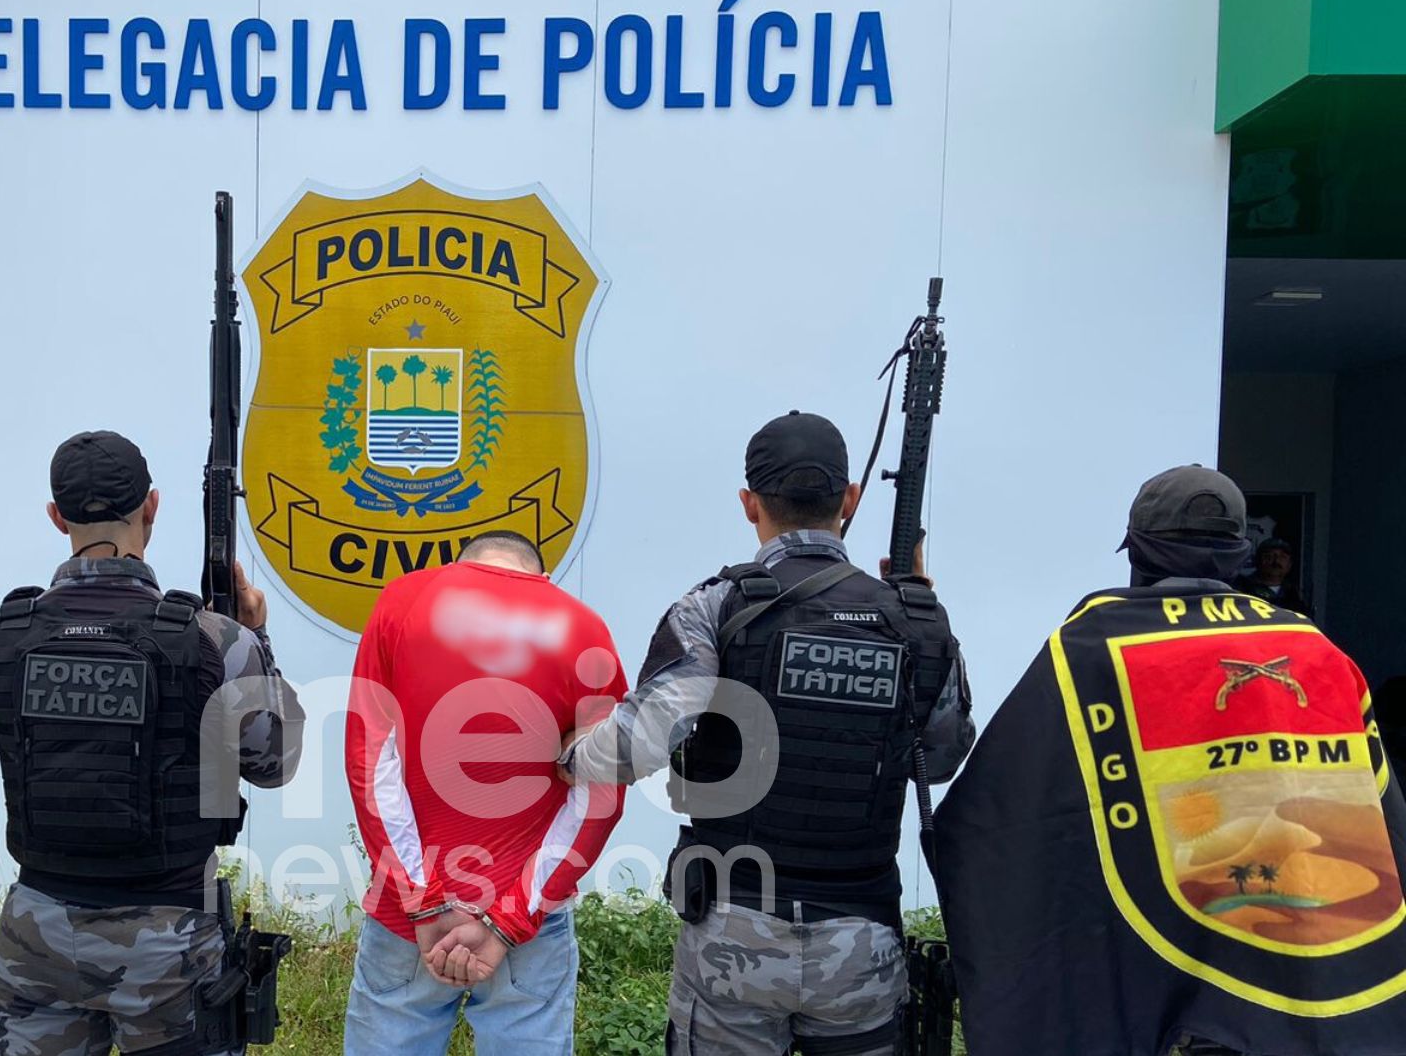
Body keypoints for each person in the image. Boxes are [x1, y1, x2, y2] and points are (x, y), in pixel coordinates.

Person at [936, 466, 1406, 1055]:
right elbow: (1382, 824)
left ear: (1139, 551)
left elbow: (998, 818)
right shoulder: (1317, 652)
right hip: (1301, 993)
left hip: (1165, 997)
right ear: (1240, 553)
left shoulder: (1091, 649)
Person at [559, 411, 973, 1056]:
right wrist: (918, 614)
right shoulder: (914, 618)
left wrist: (568, 757)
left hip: (735, 933)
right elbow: (941, 757)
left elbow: (642, 741)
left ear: (749, 504)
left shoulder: (716, 606)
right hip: (860, 937)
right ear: (849, 499)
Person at [0, 429, 304, 1056]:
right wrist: (258, 635)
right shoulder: (216, 640)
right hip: (174, 943)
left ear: (57, 517)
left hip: (39, 937)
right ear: (152, 507)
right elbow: (275, 763)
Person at [343, 529, 628, 1056]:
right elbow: (599, 796)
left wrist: (423, 902)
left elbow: (370, 764)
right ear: (543, 577)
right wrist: (511, 919)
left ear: (460, 564)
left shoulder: (403, 602)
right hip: (527, 924)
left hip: (406, 918)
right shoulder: (583, 627)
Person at [1233, 536, 1314, 616]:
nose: (1276, 561)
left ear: (1290, 564)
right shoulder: (1241, 589)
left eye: (1283, 557)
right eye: (1269, 556)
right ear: (1257, 561)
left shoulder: (1294, 593)